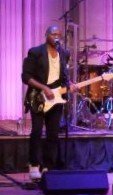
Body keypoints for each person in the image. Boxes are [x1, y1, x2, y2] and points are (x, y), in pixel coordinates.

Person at [21, 25, 75, 180]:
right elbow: (26, 77)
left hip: (56, 97)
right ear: (46, 35)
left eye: (59, 34)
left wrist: (70, 84)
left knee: (53, 134)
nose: (57, 37)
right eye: (53, 34)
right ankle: (33, 164)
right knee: (37, 131)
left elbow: (63, 76)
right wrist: (44, 88)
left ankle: (47, 166)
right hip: (38, 96)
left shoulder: (64, 53)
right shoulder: (35, 52)